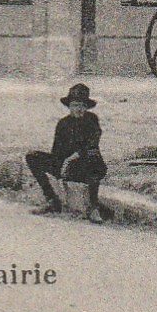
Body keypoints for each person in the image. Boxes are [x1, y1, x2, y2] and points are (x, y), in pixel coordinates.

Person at [24, 82, 107, 222]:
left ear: (86, 107)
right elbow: (56, 151)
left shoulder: (92, 120)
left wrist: (73, 157)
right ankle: (52, 200)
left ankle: (93, 207)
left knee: (93, 159)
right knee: (32, 157)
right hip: (67, 167)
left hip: (85, 166)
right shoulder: (63, 124)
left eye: (82, 105)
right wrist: (61, 165)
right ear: (69, 106)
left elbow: (92, 144)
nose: (78, 109)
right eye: (74, 105)